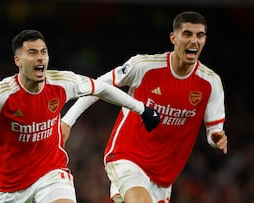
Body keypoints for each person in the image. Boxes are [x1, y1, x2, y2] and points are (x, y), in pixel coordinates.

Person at [0, 30, 160, 203]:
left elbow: (101, 88)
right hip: (9, 189)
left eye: (43, 52)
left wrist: (141, 109)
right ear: (18, 60)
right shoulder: (1, 95)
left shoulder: (61, 82)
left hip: (51, 174)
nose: (40, 58)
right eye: (32, 53)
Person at [61, 11, 228, 203]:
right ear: (174, 38)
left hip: (163, 177)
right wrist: (67, 121)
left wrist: (215, 137)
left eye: (200, 35)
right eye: (187, 34)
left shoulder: (210, 83)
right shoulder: (144, 66)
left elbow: (214, 131)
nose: (194, 41)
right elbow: (99, 86)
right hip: (127, 157)